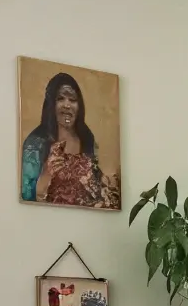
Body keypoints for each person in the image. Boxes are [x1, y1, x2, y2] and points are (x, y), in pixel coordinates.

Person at [21, 72, 116, 207]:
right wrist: (46, 173)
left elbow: (97, 188)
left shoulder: (87, 140)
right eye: (60, 99)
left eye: (72, 100)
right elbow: (25, 196)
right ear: (51, 105)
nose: (67, 105)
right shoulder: (35, 144)